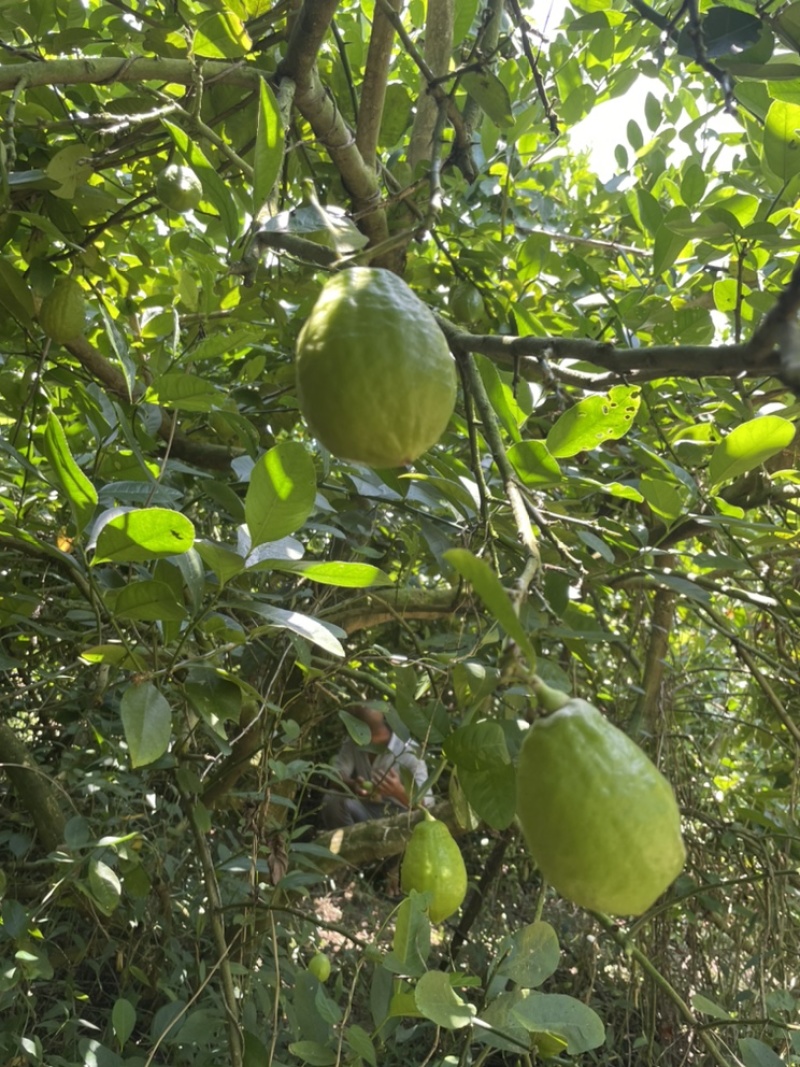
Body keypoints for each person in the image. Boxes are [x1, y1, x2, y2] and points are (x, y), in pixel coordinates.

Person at [321, 705, 434, 829]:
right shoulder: (353, 742)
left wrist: (398, 791)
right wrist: (353, 785)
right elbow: (335, 777)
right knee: (332, 798)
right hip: (366, 809)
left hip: (400, 817)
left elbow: (426, 806)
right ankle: (349, 843)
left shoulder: (410, 751)